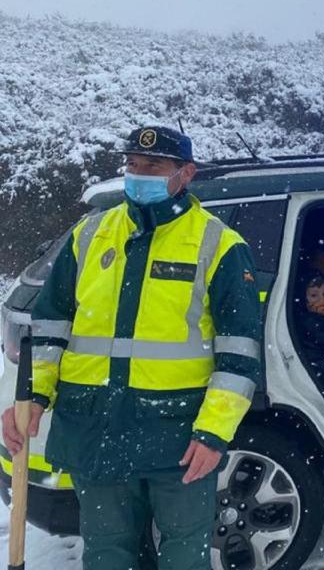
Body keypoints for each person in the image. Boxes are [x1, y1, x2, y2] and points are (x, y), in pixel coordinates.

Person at [1, 126, 263, 570]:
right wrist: (34, 398)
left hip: (178, 436)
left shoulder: (218, 245)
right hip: (95, 428)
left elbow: (239, 353)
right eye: (132, 165)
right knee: (107, 553)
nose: (138, 174)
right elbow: (50, 327)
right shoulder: (91, 234)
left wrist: (214, 433)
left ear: (186, 174)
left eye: (154, 167)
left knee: (183, 554)